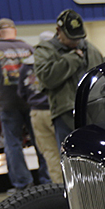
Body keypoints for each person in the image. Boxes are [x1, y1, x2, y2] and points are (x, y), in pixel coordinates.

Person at [0, 18, 49, 191]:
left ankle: (22, 183)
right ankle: (47, 180)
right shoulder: (28, 48)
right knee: (40, 141)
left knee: (13, 143)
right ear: (14, 30)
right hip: (31, 101)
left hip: (9, 102)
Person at [33, 9, 104, 147]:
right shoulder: (45, 50)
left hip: (95, 111)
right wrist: (73, 59)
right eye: (71, 38)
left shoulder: (91, 49)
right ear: (58, 31)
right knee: (72, 157)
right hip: (65, 114)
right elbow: (47, 78)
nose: (76, 42)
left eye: (78, 37)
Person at [17, 38, 62, 185]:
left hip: (36, 113)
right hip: (57, 111)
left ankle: (59, 188)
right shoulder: (58, 61)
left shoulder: (27, 64)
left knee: (49, 153)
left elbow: (22, 92)